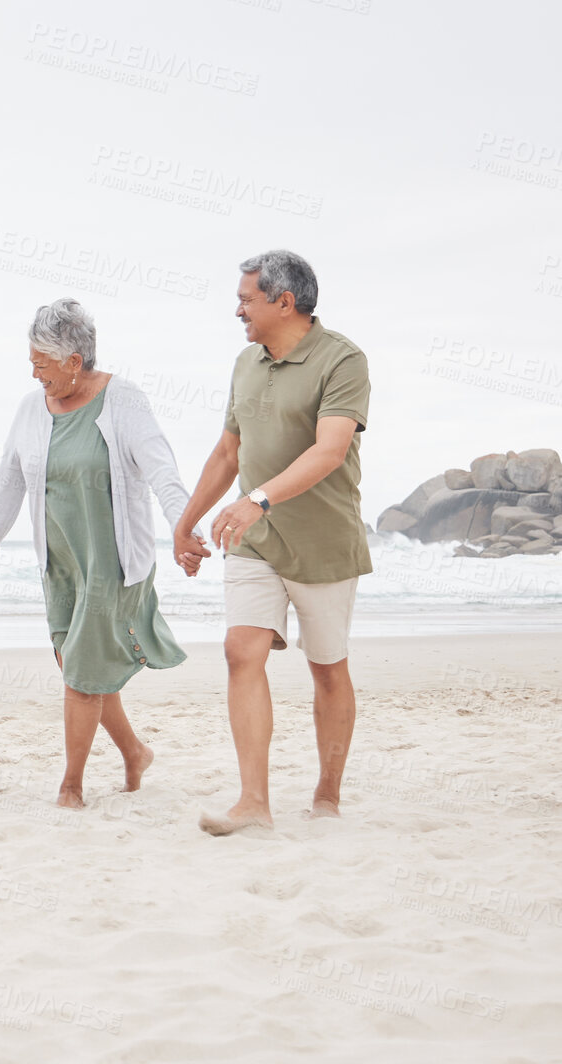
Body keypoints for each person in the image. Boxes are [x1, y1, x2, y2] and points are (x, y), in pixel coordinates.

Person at [0, 298, 199, 809]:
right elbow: (8, 481)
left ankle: (71, 787)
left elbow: (162, 470)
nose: (33, 370)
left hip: (111, 564)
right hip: (60, 563)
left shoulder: (124, 401)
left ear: (74, 363)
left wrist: (183, 528)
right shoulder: (30, 409)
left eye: (41, 361)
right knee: (76, 668)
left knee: (82, 677)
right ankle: (134, 752)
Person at [174, 251, 372, 835]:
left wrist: (257, 498)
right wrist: (186, 523)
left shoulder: (343, 359)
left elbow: (329, 450)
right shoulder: (245, 362)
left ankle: (327, 795)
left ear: (284, 302)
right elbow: (228, 452)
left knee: (328, 669)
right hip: (254, 541)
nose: (237, 308)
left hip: (324, 544)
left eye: (246, 299)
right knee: (241, 651)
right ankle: (253, 803)